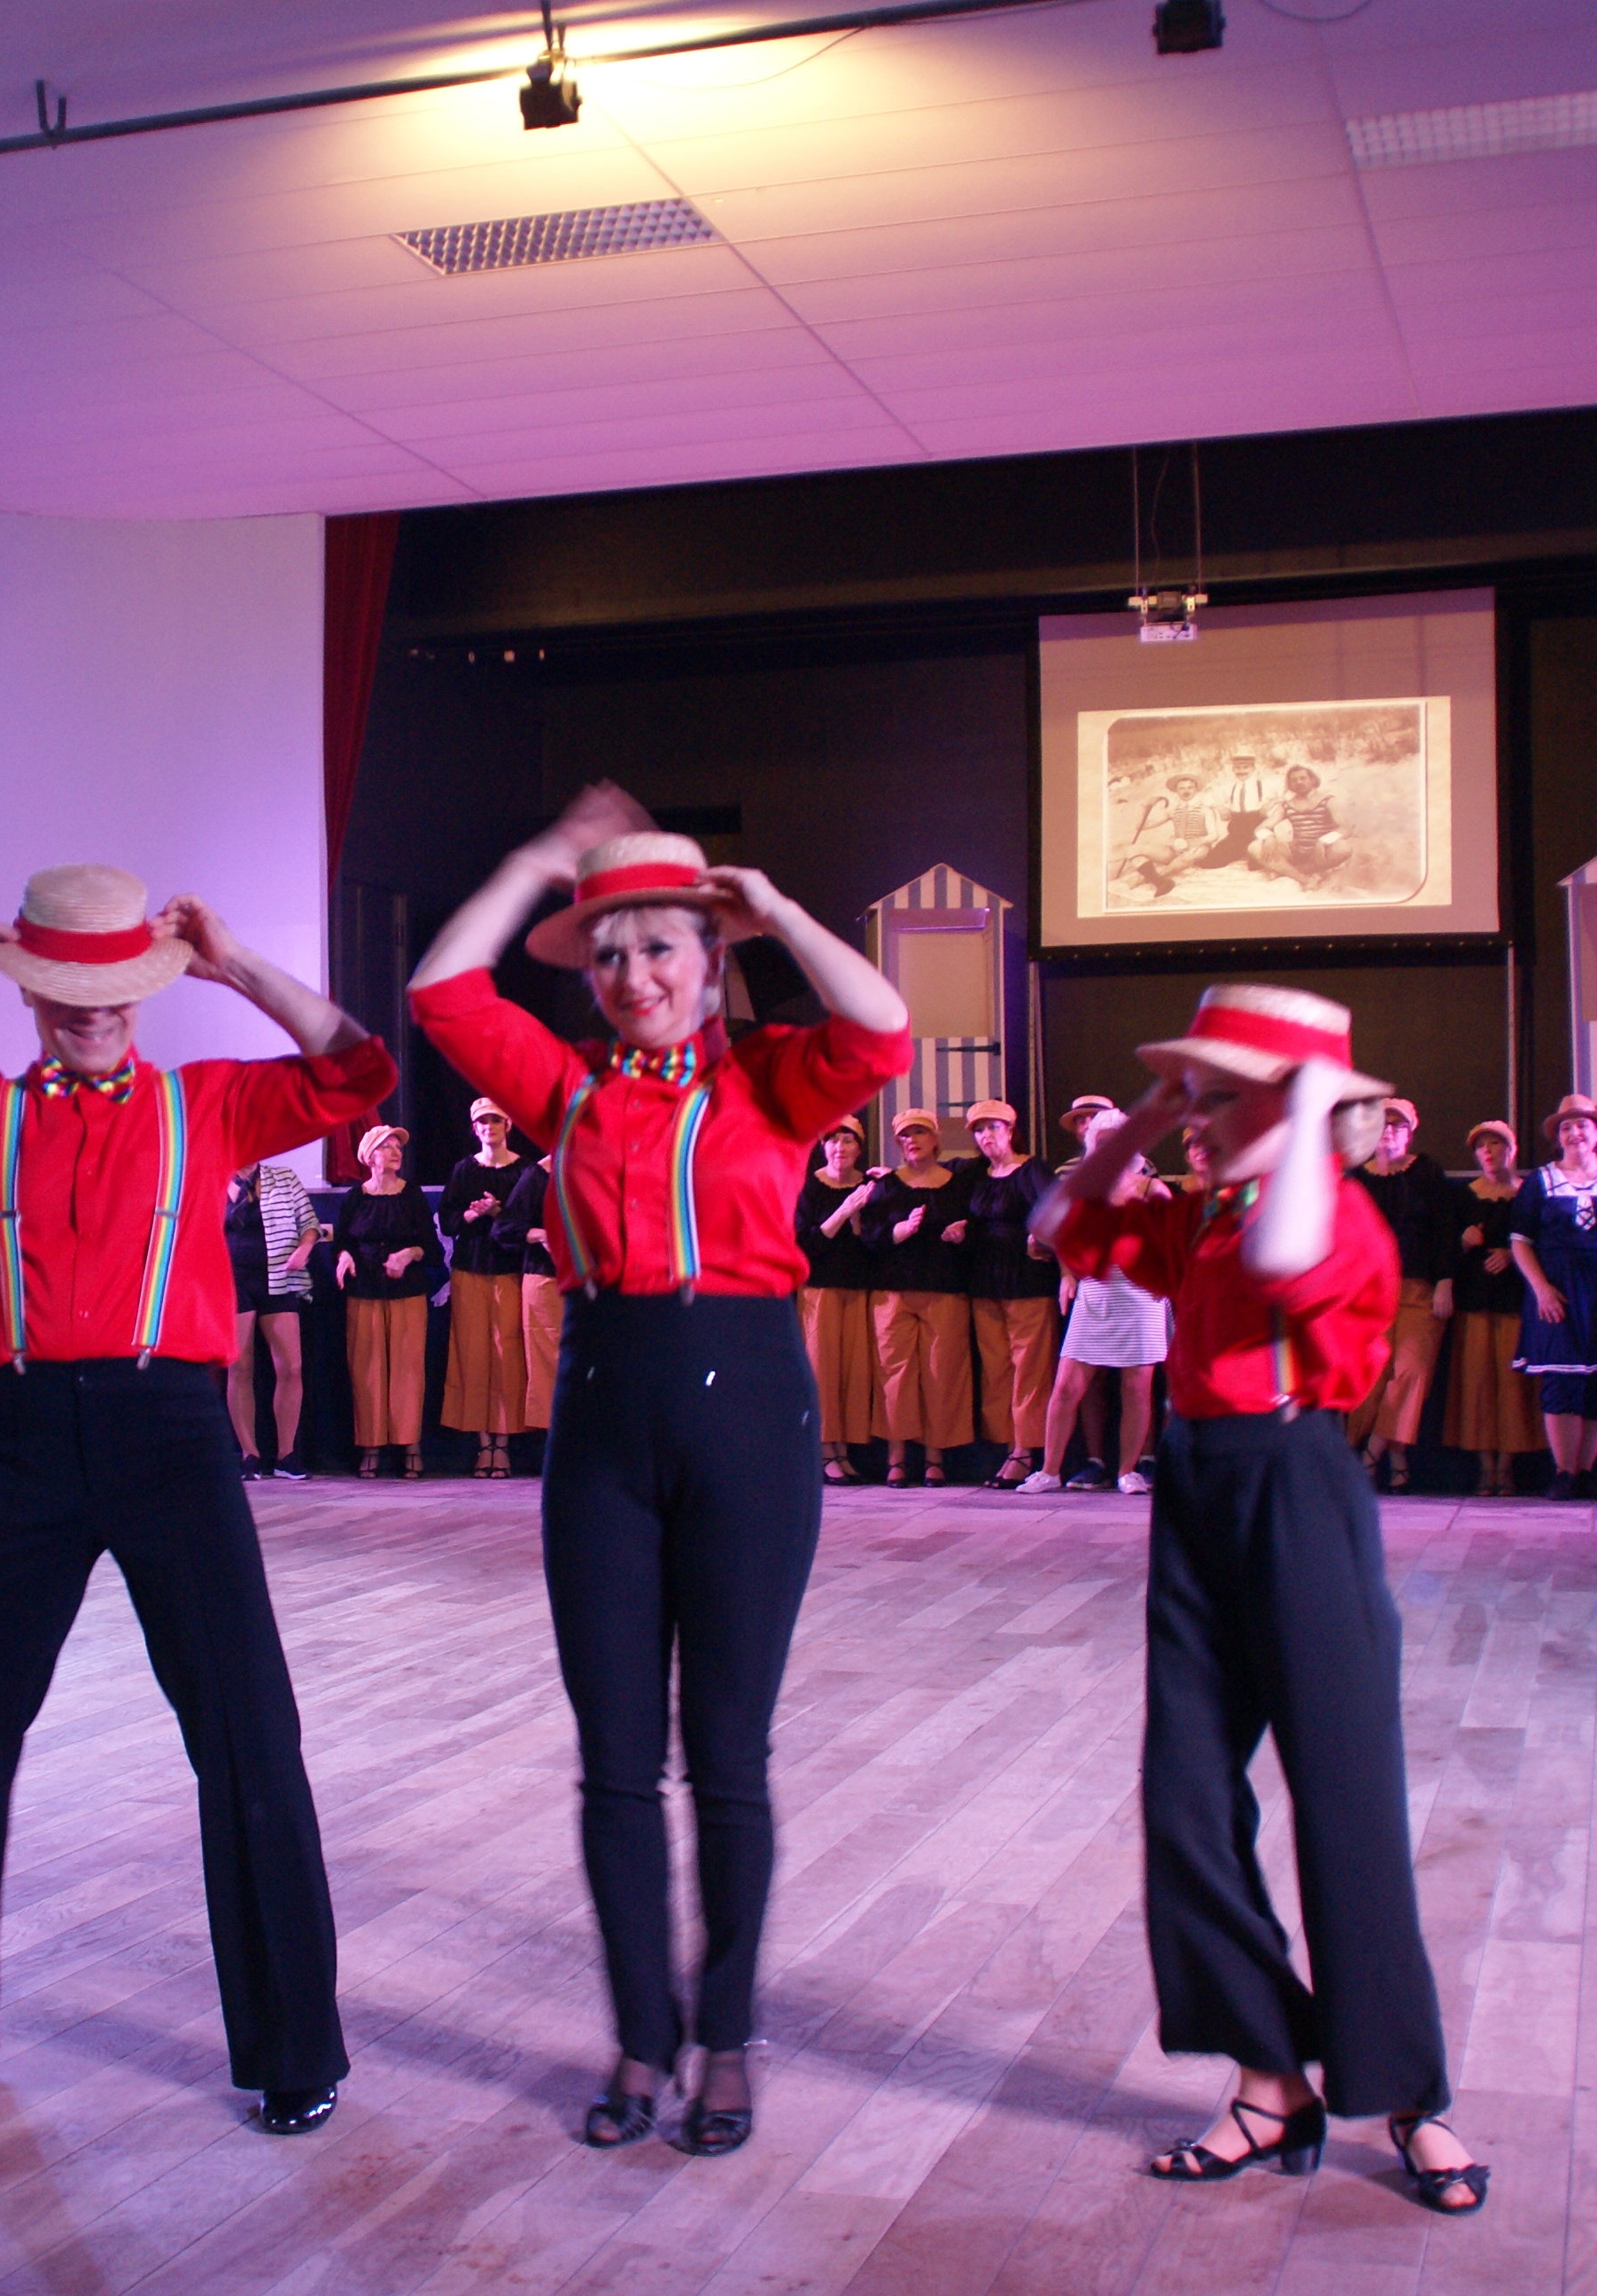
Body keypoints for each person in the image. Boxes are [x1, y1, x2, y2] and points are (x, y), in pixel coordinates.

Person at [0, 864, 390, 2136]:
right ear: (30, 994)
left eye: (114, 987)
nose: (92, 1010)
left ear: (146, 989)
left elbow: (361, 1075)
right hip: (29, 1439)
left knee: (247, 1735)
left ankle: (294, 2047)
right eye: (66, 989)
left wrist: (236, 966)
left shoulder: (208, 1102)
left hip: (174, 1432)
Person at [408, 792, 911, 2156]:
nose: (635, 975)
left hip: (750, 1413)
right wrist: (530, 862)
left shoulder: (773, 1076)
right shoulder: (561, 1085)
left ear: (710, 957)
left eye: (662, 948)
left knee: (728, 1758)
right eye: (612, 954)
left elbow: (884, 1031)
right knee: (616, 1764)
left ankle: (726, 2035)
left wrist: (780, 911)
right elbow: (442, 991)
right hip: (602, 1418)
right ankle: (642, 2036)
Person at [1035, 984, 1483, 2215]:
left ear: (1295, 1105)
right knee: (1183, 1799)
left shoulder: (1333, 1212)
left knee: (1343, 1798)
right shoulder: (1205, 1209)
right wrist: (1145, 1114)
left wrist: (1305, 1108)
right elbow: (1060, 1218)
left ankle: (1409, 2094)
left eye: (1217, 1095)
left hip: (1295, 1487)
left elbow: (1289, 1257)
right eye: (1192, 1094)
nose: (1192, 1117)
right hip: (1195, 1486)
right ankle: (1267, 2078)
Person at [1031, 1094, 1167, 1495]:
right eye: (1101, 1142)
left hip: (1141, 1294)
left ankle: (1127, 1471)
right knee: (1066, 1386)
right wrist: (1048, 1249)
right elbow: (1053, 1232)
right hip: (1096, 1291)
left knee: (1136, 1387)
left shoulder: (1151, 1187)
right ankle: (1049, 1471)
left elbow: (1172, 1239)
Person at [1514, 1095, 1597, 1502]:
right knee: (1561, 1379)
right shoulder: (1540, 1182)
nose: (1574, 1133)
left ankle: (1586, 1471)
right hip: (1559, 1291)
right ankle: (1563, 1471)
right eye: (1566, 1127)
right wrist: (1540, 1288)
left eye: (1582, 1125)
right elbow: (1520, 1242)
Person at [1342, 1098, 1461, 1493]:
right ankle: (1396, 1459)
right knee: (1373, 1377)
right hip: (1369, 1293)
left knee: (1410, 1373)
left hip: (1418, 1289)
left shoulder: (1426, 1171)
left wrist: (1445, 1281)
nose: (1389, 1131)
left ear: (1410, 1132)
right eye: (1382, 1124)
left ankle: (1370, 1455)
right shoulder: (1357, 1178)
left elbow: (1445, 1229)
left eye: (1398, 1125)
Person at [860, 1109, 973, 1487]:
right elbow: (869, 1236)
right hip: (893, 1290)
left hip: (944, 1289)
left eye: (920, 1133)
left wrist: (962, 1235)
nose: (912, 1141)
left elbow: (975, 1231)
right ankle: (896, 1459)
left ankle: (934, 1458)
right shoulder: (887, 1186)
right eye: (905, 1136)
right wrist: (898, 1232)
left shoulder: (956, 1185)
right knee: (894, 1375)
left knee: (941, 1374)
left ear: (935, 1139)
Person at [958, 1098, 1062, 1492]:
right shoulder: (976, 1174)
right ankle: (1006, 1447)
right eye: (979, 1130)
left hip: (1026, 1279)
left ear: (1010, 1130)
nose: (986, 1136)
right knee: (997, 1370)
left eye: (993, 1127)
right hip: (986, 1282)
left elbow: (1057, 1209)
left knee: (1029, 1369)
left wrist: (1040, 1238)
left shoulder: (1031, 1170)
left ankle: (1025, 1451)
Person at [334, 1123, 443, 1478]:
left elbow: (432, 1250)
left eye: (398, 1147)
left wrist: (408, 1254)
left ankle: (410, 1445)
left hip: (406, 1291)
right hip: (364, 1291)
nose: (396, 1153)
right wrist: (344, 1257)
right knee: (366, 1370)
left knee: (407, 1370)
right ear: (370, 1156)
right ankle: (371, 1445)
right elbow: (342, 1244)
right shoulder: (355, 1197)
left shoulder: (411, 1195)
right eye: (387, 1147)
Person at [1440, 1121, 1541, 1496]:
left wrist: (1513, 1254)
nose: (1487, 1151)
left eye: (1495, 1143)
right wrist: (1463, 1241)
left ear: (1511, 1150)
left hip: (1516, 1300)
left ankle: (1507, 1467)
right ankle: (1485, 1468)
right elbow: (1444, 1249)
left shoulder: (1529, 1194)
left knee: (1514, 1384)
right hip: (1474, 1300)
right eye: (1481, 1146)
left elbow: (1545, 1239)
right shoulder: (1464, 1196)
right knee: (1476, 1383)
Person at [439, 1098, 535, 1478]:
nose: (489, 1127)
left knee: (507, 1356)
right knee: (472, 1355)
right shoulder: (464, 1170)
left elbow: (529, 1220)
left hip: (510, 1270)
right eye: (482, 1122)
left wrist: (497, 1212)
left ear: (507, 1125)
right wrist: (471, 1213)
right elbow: (448, 1220)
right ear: (475, 1128)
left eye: (496, 1120)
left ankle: (504, 1443)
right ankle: (483, 1445)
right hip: (470, 1269)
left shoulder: (524, 1170)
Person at [795, 1117, 880, 1485]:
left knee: (853, 1372)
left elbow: (874, 1241)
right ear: (823, 1147)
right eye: (833, 1141)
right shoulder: (810, 1185)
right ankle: (824, 1450)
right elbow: (805, 1243)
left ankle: (843, 1449)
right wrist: (843, 1212)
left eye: (848, 1141)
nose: (840, 1148)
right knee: (823, 1369)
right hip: (820, 1288)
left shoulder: (869, 1185)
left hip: (857, 1287)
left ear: (859, 1148)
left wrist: (859, 1217)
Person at [224, 1159, 319, 1478]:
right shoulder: (213, 1179)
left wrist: (304, 1248)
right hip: (232, 1280)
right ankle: (248, 1454)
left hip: (278, 1277)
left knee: (291, 1367)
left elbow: (310, 1223)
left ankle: (286, 1455)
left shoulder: (283, 1178)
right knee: (239, 1367)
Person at [497, 1152, 562, 1454]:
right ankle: (557, 1446)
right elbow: (505, 1228)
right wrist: (541, 1234)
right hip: (546, 1279)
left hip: (594, 1281)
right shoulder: (538, 1175)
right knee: (549, 1363)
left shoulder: (597, 1169)